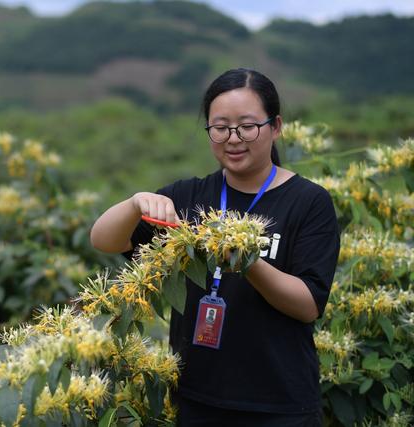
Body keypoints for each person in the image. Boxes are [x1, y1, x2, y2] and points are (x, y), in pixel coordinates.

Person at [90, 68, 339, 426]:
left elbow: (307, 305)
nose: (233, 138)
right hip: (195, 398)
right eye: (220, 127)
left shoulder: (309, 202)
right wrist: (134, 203)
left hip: (280, 405)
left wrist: (243, 257)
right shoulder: (189, 196)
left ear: (276, 126)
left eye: (247, 126)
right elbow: (104, 239)